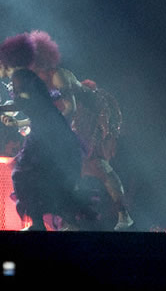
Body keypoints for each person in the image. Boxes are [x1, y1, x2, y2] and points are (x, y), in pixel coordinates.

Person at [26, 31, 133, 230]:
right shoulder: (37, 81)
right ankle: (69, 220)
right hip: (75, 119)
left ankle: (122, 215)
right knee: (69, 168)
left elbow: (70, 108)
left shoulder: (57, 75)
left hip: (92, 113)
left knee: (95, 164)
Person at [0, 32, 83, 231]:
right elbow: (36, 107)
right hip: (51, 135)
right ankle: (59, 223)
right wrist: (12, 118)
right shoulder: (26, 77)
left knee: (24, 176)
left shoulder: (20, 77)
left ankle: (39, 224)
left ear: (6, 62)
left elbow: (27, 104)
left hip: (48, 138)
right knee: (43, 179)